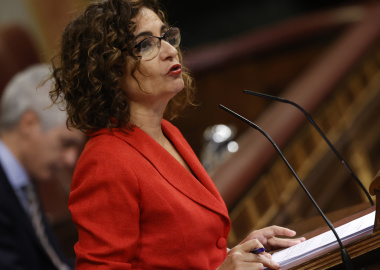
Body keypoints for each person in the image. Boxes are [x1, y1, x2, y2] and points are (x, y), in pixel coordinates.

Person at [50, 0, 305, 269]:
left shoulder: (169, 133)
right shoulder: (105, 162)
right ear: (109, 70)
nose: (171, 51)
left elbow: (177, 254)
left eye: (167, 36)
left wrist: (238, 252)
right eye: (145, 44)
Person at [0, 64, 85, 269]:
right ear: (29, 124)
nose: (70, 159)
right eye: (65, 143)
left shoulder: (23, 181)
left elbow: (52, 264)